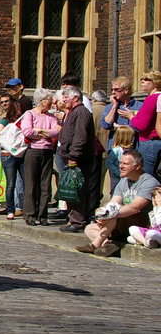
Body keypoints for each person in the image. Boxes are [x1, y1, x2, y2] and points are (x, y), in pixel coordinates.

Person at [78, 150, 157, 257]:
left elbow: (136, 207)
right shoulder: (124, 180)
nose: (121, 166)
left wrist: (110, 213)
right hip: (123, 222)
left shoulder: (148, 182)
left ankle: (95, 245)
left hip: (141, 224)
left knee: (113, 212)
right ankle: (107, 246)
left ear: (137, 166)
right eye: (120, 163)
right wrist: (100, 213)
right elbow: (113, 203)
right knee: (89, 228)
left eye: (125, 164)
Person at [57, 85, 102, 233]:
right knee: (72, 190)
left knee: (76, 190)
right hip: (71, 157)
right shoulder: (73, 112)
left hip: (78, 159)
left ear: (75, 97)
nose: (63, 100)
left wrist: (74, 156)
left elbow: (80, 137)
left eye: (66, 97)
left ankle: (78, 221)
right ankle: (73, 219)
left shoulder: (81, 112)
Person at [20, 88, 60, 226]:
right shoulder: (29, 114)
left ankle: (42, 215)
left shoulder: (51, 116)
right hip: (33, 152)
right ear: (41, 101)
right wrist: (47, 133)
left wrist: (41, 131)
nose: (52, 103)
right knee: (31, 184)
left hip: (47, 151)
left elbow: (57, 132)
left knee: (45, 185)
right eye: (49, 100)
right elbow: (28, 131)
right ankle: (30, 214)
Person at [0, 98, 26, 220]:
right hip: (11, 154)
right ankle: (11, 209)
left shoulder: (24, 121)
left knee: (19, 182)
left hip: (16, 154)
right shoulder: (5, 121)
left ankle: (17, 208)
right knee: (12, 183)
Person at [129, 71, 161, 177]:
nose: (142, 81)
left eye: (146, 79)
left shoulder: (152, 99)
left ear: (155, 82)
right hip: (156, 142)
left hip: (149, 142)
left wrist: (131, 117)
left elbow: (142, 125)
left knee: (147, 177)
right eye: (141, 79)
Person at [99, 76, 141, 147]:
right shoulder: (109, 107)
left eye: (116, 90)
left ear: (126, 90)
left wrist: (125, 126)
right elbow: (106, 125)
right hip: (115, 147)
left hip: (134, 146)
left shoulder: (140, 106)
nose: (113, 92)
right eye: (112, 90)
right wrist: (114, 106)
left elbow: (142, 126)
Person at [106, 125, 136, 193]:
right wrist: (119, 173)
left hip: (128, 177)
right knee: (115, 192)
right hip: (117, 178)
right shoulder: (116, 150)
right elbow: (109, 163)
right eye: (132, 136)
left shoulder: (131, 150)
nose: (133, 138)